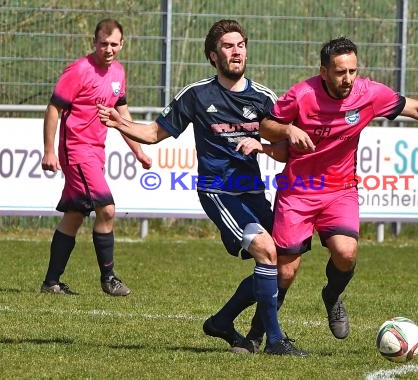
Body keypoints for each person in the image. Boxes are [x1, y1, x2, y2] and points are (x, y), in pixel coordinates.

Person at [243, 36, 418, 344]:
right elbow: (266, 126)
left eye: (352, 70)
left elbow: (417, 110)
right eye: (340, 72)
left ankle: (332, 295)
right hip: (297, 190)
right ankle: (255, 336)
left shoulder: (369, 93)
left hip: (340, 190)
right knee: (285, 272)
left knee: (346, 252)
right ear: (323, 71)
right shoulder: (302, 94)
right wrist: (288, 129)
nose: (348, 79)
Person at [97, 19, 307, 356]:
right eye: (228, 46)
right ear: (213, 55)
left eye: (240, 45)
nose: (236, 51)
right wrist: (119, 123)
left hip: (252, 191)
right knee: (267, 250)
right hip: (218, 190)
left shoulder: (265, 98)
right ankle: (275, 341)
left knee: (286, 262)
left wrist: (273, 143)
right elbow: (153, 134)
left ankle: (223, 322)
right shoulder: (197, 95)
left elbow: (282, 151)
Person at [40, 19, 152, 297]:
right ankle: (109, 278)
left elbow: (121, 116)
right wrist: (49, 150)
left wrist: (138, 150)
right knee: (107, 208)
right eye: (104, 43)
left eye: (114, 44)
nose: (109, 49)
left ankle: (51, 282)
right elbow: (54, 108)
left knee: (75, 215)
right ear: (94, 42)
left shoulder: (118, 73)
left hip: (96, 151)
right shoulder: (79, 70)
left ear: (122, 44)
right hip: (76, 151)